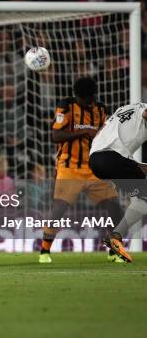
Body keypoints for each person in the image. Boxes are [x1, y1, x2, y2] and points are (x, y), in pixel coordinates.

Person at [40, 77, 122, 263]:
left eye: (92, 98)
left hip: (95, 168)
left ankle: (114, 250)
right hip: (69, 168)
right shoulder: (66, 107)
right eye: (86, 100)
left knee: (114, 207)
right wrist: (84, 132)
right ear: (77, 96)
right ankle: (44, 251)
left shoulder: (101, 109)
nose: (90, 102)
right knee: (59, 208)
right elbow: (55, 135)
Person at [89, 102, 147, 263]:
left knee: (141, 200)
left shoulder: (125, 109)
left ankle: (116, 239)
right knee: (144, 200)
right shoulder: (142, 111)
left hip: (96, 160)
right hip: (113, 158)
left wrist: (139, 166)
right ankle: (116, 236)